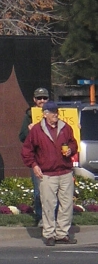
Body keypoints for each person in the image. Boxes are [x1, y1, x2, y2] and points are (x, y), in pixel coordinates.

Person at [21, 101, 77, 246]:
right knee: (48, 205)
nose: (55, 115)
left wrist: (71, 150)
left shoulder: (65, 127)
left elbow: (73, 143)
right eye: (52, 112)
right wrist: (34, 165)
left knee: (66, 205)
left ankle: (62, 234)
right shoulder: (37, 130)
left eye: (56, 112)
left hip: (65, 171)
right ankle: (49, 234)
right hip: (47, 173)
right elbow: (27, 150)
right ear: (45, 114)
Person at [18, 87, 50, 226]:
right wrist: (29, 130)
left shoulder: (56, 114)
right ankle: (40, 217)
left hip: (54, 160)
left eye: (44, 98)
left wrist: (76, 127)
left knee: (55, 191)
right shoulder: (29, 116)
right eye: (39, 98)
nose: (42, 100)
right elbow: (21, 137)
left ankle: (54, 217)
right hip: (37, 159)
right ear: (34, 100)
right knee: (39, 191)